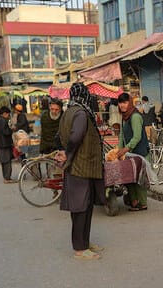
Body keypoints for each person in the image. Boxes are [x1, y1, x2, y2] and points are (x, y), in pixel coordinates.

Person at [54, 83, 105, 260]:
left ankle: (84, 242)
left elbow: (59, 136)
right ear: (84, 96)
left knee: (84, 206)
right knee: (81, 207)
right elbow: (75, 137)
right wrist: (68, 154)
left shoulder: (68, 112)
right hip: (80, 166)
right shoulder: (81, 113)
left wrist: (64, 152)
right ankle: (80, 248)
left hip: (80, 166)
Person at [116, 92, 149, 211]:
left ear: (129, 102)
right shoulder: (124, 117)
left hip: (139, 152)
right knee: (130, 177)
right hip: (129, 153)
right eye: (120, 103)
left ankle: (142, 203)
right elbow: (121, 135)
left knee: (139, 179)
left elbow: (137, 137)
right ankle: (134, 201)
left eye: (124, 102)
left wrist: (125, 149)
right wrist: (118, 150)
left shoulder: (135, 116)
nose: (122, 105)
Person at [0, 106, 16, 183]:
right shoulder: (4, 121)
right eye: (8, 114)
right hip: (5, 144)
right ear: (4, 113)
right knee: (7, 161)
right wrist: (11, 130)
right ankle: (7, 178)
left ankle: (5, 177)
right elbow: (6, 132)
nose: (8, 116)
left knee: (3, 161)